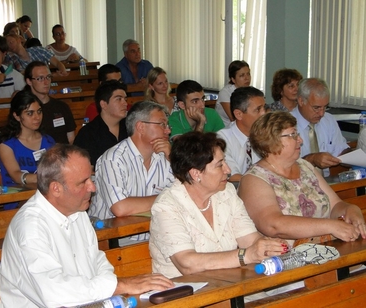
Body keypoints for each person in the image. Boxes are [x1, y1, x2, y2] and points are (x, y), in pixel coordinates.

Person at [0, 144, 173, 307]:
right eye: (83, 182)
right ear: (56, 189)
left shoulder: (78, 212)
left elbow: (97, 261)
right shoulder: (31, 228)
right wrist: (120, 286)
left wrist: (112, 289)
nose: (93, 187)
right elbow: (54, 294)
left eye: (91, 178)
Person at [150, 131, 287, 279]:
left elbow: (250, 240)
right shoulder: (166, 207)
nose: (228, 170)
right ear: (196, 174)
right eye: (220, 165)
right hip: (185, 292)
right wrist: (246, 255)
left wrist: (269, 247)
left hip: (229, 284)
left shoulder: (226, 192)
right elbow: (187, 264)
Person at [238, 111, 366, 248]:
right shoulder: (254, 179)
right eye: (293, 135)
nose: (300, 140)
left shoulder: (305, 166)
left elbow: (335, 205)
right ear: (271, 141)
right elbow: (273, 225)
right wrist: (330, 226)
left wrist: (351, 209)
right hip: (284, 259)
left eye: (297, 134)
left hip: (326, 246)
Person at [90, 101, 174, 225]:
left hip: (153, 234)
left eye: (167, 125)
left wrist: (172, 159)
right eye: (162, 124)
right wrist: (168, 198)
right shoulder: (113, 159)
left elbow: (187, 194)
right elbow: (120, 208)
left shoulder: (164, 156)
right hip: (114, 237)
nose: (167, 131)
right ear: (140, 127)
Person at [0, 90, 55, 210]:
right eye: (30, 113)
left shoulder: (48, 140)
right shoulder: (7, 146)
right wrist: (43, 178)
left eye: (39, 112)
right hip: (18, 200)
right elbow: (16, 176)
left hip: (46, 195)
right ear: (17, 116)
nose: (37, 117)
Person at [290, 78, 349, 170]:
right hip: (297, 182)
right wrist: (312, 159)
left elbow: (340, 150)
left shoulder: (328, 120)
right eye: (316, 108)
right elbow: (283, 167)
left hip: (327, 181)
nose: (322, 113)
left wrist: (353, 156)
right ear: (301, 101)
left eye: (325, 107)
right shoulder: (285, 125)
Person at [74, 80, 128, 167]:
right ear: (103, 104)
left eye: (125, 99)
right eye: (119, 99)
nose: (125, 103)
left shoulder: (131, 128)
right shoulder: (87, 134)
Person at [217, 86, 266, 182]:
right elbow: (232, 176)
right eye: (258, 109)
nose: (264, 113)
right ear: (239, 114)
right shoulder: (221, 139)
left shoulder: (266, 134)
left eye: (264, 108)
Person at [24, 61, 76, 144]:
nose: (46, 82)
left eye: (48, 77)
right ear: (29, 81)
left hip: (63, 153)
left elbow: (71, 139)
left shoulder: (61, 106)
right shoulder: (26, 109)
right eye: (40, 78)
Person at [215, 60, 251, 126]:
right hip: (225, 129)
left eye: (248, 74)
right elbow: (233, 118)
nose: (247, 78)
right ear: (233, 79)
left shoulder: (251, 91)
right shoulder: (225, 93)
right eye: (242, 75)